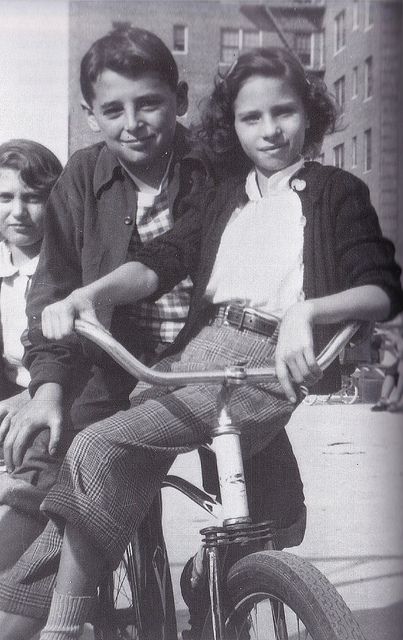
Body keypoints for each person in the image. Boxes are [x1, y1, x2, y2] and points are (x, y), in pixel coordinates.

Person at [12, 45, 403, 640]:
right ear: (233, 126)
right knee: (96, 469)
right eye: (252, 119)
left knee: (106, 451)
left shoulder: (335, 192)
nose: (270, 131)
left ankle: (59, 628)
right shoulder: (229, 195)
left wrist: (309, 311)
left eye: (286, 113)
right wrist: (92, 294)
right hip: (194, 356)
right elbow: (160, 262)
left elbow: (380, 286)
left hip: (265, 359)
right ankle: (43, 615)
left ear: (312, 115)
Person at [0, 138, 62, 567]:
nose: (18, 212)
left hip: (55, 400)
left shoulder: (68, 267)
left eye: (33, 197)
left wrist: (31, 396)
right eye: (5, 197)